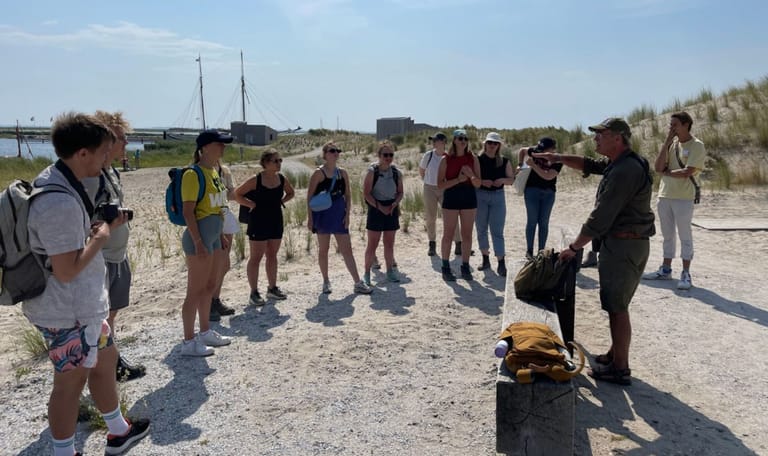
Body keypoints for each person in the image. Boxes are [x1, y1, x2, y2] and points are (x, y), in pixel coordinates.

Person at [23, 112, 150, 456]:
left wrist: (97, 225)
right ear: (82, 153)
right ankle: (64, 451)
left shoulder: (67, 183)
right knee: (69, 384)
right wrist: (102, 236)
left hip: (86, 307)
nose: (107, 161)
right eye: (103, 153)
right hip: (67, 312)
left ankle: (118, 431)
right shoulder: (58, 200)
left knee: (106, 361)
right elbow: (66, 270)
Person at [534, 117, 655, 386]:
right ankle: (615, 354)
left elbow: (600, 217)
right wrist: (558, 157)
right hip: (626, 243)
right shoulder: (623, 163)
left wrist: (574, 247)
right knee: (617, 304)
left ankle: (620, 368)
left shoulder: (625, 171)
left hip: (624, 244)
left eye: (602, 134)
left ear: (618, 138)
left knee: (617, 307)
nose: (596, 138)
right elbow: (589, 165)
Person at [82, 110, 146, 382]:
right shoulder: (89, 178)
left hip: (117, 254)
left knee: (112, 314)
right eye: (121, 138)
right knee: (98, 318)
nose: (126, 144)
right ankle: (98, 372)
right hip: (100, 257)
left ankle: (112, 362)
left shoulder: (112, 173)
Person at [178, 130, 234, 357]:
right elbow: (188, 212)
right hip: (198, 241)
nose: (223, 148)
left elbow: (217, 208)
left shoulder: (213, 172)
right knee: (195, 291)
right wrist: (199, 241)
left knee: (209, 287)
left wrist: (220, 236)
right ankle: (189, 341)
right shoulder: (193, 174)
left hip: (212, 239)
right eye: (219, 144)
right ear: (205, 147)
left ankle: (205, 331)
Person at [641, 111, 706, 290]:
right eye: (670, 125)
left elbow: (688, 171)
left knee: (685, 235)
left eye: (675, 125)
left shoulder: (697, 145)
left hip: (684, 197)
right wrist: (667, 141)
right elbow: (658, 167)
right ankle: (666, 268)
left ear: (686, 125)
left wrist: (667, 173)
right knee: (667, 235)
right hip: (665, 195)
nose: (671, 128)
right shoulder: (672, 144)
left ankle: (685, 273)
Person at [306, 142, 372, 295]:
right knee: (324, 249)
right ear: (325, 154)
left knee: (347, 249)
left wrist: (347, 215)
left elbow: (348, 195)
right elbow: (309, 197)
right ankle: (326, 281)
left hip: (338, 213)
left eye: (337, 151)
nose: (335, 153)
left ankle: (357, 282)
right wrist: (310, 219)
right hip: (322, 214)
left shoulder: (342, 173)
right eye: (332, 151)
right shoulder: (318, 174)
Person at [235, 149, 295, 304]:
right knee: (255, 257)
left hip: (275, 220)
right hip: (258, 221)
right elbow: (237, 194)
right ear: (266, 163)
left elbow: (291, 192)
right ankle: (254, 293)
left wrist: (281, 202)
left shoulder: (281, 179)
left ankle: (272, 288)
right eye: (276, 161)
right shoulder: (255, 179)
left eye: (280, 160)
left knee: (272, 255)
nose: (279, 163)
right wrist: (250, 204)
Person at [437, 129, 481, 281]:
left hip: (469, 196)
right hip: (451, 196)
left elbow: (478, 183)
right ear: (454, 141)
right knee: (448, 234)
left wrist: (470, 175)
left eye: (465, 138)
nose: (463, 141)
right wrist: (458, 180)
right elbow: (440, 184)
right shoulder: (446, 159)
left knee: (467, 234)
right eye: (460, 138)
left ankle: (465, 266)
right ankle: (445, 266)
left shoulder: (473, 158)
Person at [362, 141, 404, 285]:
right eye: (385, 154)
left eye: (391, 154)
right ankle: (366, 273)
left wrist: (394, 204)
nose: (388, 157)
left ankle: (390, 271)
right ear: (379, 155)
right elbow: (366, 193)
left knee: (389, 244)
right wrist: (380, 207)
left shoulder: (396, 172)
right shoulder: (372, 171)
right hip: (375, 209)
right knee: (372, 244)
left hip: (391, 209)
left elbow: (400, 192)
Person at [475, 132, 515, 276]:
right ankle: (485, 259)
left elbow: (511, 179)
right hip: (480, 195)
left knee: (497, 231)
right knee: (481, 229)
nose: (492, 146)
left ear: (499, 146)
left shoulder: (504, 161)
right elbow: (473, 179)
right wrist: (482, 182)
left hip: (498, 196)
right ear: (484, 144)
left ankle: (501, 262)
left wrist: (502, 180)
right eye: (490, 143)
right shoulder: (478, 160)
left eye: (495, 143)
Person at [517, 137, 563, 258]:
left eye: (544, 150)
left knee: (543, 223)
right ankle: (529, 251)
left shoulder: (557, 160)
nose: (540, 152)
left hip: (549, 193)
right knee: (532, 221)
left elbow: (548, 176)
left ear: (552, 150)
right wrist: (520, 164)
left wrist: (533, 165)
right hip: (531, 190)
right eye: (540, 149)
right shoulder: (535, 151)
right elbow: (522, 150)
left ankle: (541, 251)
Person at [419, 132, 460, 256]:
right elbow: (422, 170)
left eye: (436, 140)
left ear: (443, 143)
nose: (433, 143)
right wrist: (427, 181)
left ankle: (458, 243)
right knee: (431, 217)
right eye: (433, 141)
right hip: (429, 189)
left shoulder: (448, 157)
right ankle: (432, 243)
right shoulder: (428, 155)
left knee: (451, 216)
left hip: (444, 189)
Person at [210, 159, 238, 320]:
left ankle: (215, 299)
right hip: (211, 217)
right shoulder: (198, 171)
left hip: (225, 215)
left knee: (224, 264)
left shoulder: (224, 170)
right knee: (215, 263)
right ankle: (209, 302)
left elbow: (232, 194)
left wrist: (223, 194)